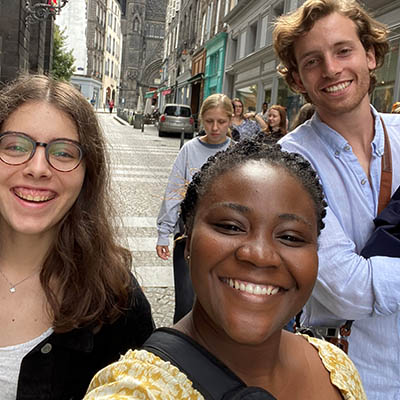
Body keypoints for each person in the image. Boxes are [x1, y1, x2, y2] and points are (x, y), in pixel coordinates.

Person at [85, 138, 366, 400]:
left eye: (290, 237)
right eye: (231, 227)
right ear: (188, 240)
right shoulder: (136, 391)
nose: (259, 255)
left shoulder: (336, 367)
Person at [273, 0, 400, 397]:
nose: (331, 69)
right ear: (297, 80)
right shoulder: (291, 162)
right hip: (348, 377)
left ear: (372, 54)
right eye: (312, 61)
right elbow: (349, 289)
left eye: (343, 50)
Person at [0, 74, 154, 400]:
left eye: (64, 153)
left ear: (88, 174)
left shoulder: (116, 303)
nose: (38, 167)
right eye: (15, 146)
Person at [156, 93, 233, 324]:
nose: (215, 127)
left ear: (230, 120)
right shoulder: (189, 150)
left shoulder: (237, 153)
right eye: (209, 121)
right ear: (201, 120)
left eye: (221, 121)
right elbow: (174, 190)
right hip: (189, 236)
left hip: (228, 239)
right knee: (185, 303)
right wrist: (164, 233)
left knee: (219, 304)